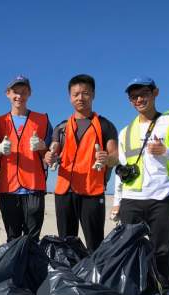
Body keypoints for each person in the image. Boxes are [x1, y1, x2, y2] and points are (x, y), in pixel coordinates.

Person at [116, 76, 169, 291]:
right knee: (127, 249)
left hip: (161, 198)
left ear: (155, 93)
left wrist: (167, 152)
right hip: (131, 199)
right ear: (130, 101)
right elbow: (121, 170)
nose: (139, 99)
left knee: (161, 250)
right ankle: (132, 292)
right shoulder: (125, 132)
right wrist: (117, 201)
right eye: (134, 96)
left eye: (144, 93)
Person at [44, 74, 118, 252]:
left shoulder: (105, 125)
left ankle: (95, 278)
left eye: (85, 93)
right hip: (64, 192)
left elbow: (115, 155)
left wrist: (107, 159)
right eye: (75, 94)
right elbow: (53, 149)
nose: (80, 98)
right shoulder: (62, 127)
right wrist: (49, 156)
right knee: (65, 244)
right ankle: (69, 279)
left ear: (93, 95)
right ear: (70, 97)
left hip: (92, 191)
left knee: (95, 243)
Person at [0, 75, 53, 241]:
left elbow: (51, 154)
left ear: (29, 94)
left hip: (34, 187)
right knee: (12, 238)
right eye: (15, 92)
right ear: (7, 93)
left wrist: (43, 146)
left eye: (23, 92)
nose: (19, 96)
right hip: (8, 187)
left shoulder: (42, 120)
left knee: (32, 239)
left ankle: (30, 268)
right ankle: (14, 267)